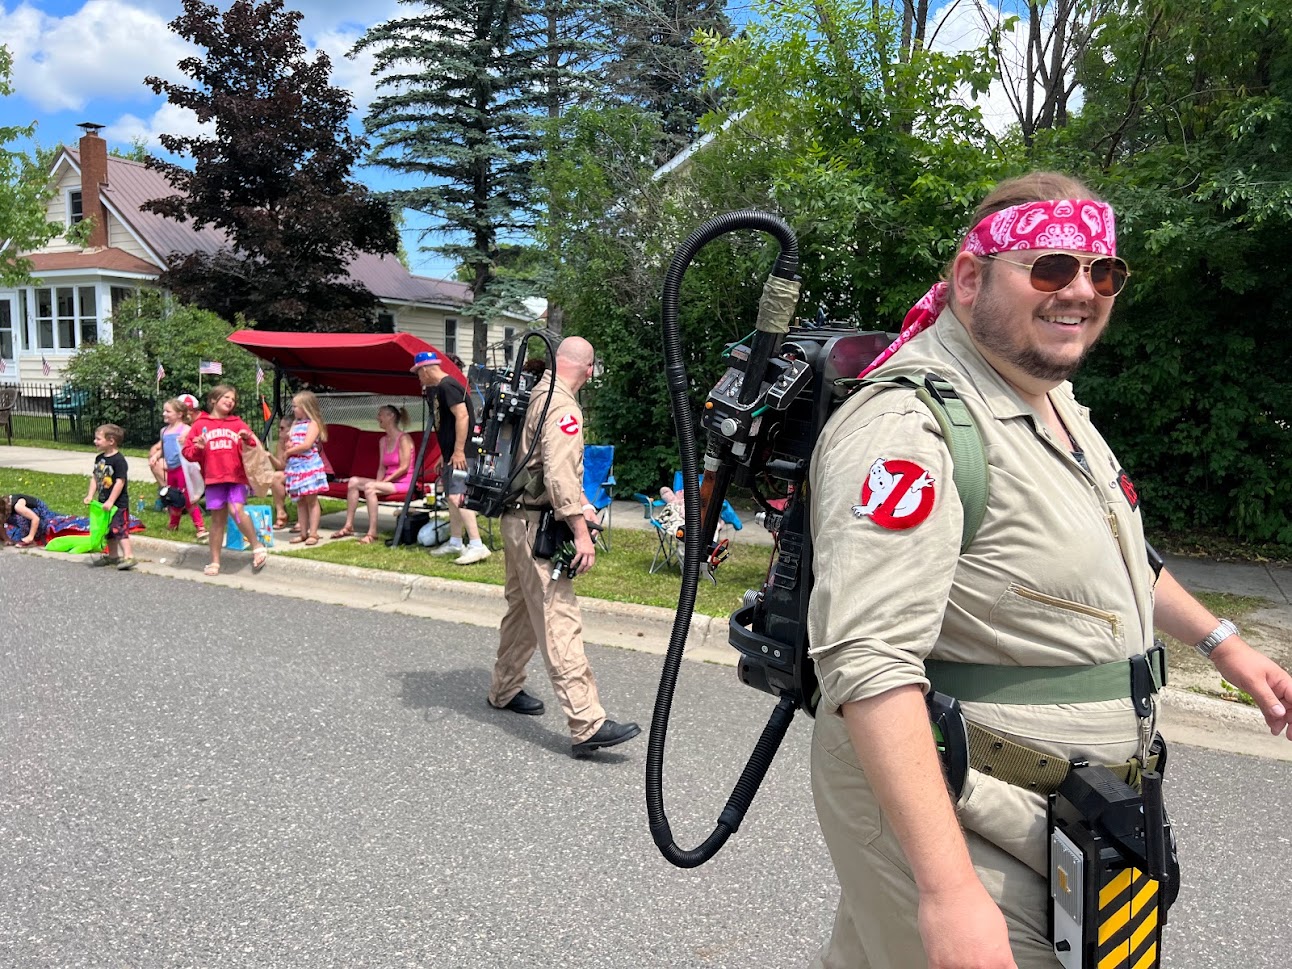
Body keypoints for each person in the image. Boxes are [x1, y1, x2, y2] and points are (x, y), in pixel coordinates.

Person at [806, 172, 1292, 968]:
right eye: (1051, 267)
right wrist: (948, 892)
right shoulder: (910, 425)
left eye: (1103, 272)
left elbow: (1115, 557)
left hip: (1064, 811)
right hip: (973, 817)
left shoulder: (1052, 401)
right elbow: (868, 664)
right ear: (970, 278)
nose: (1082, 291)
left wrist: (1225, 646)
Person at [486, 336, 641, 757]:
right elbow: (557, 472)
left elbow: (543, 466)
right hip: (538, 526)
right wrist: (580, 530)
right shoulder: (563, 406)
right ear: (589, 369)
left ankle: (503, 688)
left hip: (515, 519)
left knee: (522, 609)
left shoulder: (537, 393)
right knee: (558, 618)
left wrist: (579, 502)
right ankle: (587, 723)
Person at [410, 350, 490, 565]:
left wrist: (458, 451)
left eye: (418, 373)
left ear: (425, 369)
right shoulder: (437, 389)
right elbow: (445, 425)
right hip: (452, 453)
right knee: (452, 497)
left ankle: (476, 545)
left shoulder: (448, 386)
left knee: (458, 496)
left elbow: (463, 417)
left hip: (464, 452)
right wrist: (444, 454)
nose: (418, 377)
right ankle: (456, 541)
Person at [183, 384, 267, 576]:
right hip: (213, 479)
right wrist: (199, 448)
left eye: (233, 399)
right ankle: (214, 561)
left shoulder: (237, 423)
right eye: (226, 398)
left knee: (236, 510)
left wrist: (247, 438)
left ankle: (257, 546)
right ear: (213, 400)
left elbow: (253, 446)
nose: (230, 401)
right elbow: (188, 453)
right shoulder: (199, 425)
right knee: (217, 521)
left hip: (236, 477)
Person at [331, 404, 415, 544]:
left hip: (403, 482)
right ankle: (348, 525)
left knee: (370, 488)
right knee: (353, 481)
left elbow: (404, 467)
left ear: (391, 416)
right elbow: (382, 467)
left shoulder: (404, 439)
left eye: (380, 414)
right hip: (388, 482)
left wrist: (381, 483)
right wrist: (378, 482)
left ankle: (372, 532)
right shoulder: (383, 440)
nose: (378, 418)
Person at [149, 398, 208, 540]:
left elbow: (196, 444)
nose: (164, 414)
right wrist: (156, 456)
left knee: (188, 498)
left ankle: (200, 527)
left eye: (168, 411)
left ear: (180, 414)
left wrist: (188, 439)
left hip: (183, 469)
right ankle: (173, 524)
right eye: (164, 411)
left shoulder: (186, 429)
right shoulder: (164, 431)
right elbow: (163, 448)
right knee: (174, 498)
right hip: (171, 470)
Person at [83, 423, 136, 571]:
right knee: (108, 530)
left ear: (111, 441)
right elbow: (95, 478)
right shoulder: (99, 458)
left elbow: (120, 481)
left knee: (119, 529)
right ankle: (112, 556)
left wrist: (111, 500)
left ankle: (129, 556)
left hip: (118, 503)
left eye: (98, 439)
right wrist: (90, 495)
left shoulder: (119, 460)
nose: (95, 441)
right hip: (103, 502)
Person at [282, 390, 329, 546]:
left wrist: (289, 451)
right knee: (300, 501)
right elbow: (293, 441)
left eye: (296, 406)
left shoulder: (313, 424)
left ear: (306, 407)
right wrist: (289, 444)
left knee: (311, 500)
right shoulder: (296, 424)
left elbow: (307, 445)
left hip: (308, 466)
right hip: (295, 467)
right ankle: (303, 532)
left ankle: (313, 533)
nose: (293, 409)